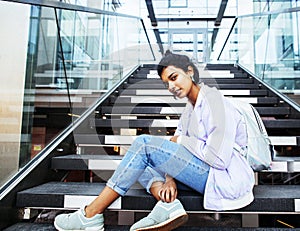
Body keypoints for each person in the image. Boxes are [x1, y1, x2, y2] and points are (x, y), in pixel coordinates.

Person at [54, 50, 255, 231]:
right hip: (204, 172)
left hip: (223, 177)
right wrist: (170, 179)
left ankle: (91, 214)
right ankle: (168, 204)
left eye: (174, 78)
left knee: (143, 144)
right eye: (166, 83)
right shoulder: (190, 110)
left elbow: (218, 159)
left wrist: (183, 140)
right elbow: (178, 147)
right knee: (139, 163)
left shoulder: (215, 102)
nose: (171, 87)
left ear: (190, 71)